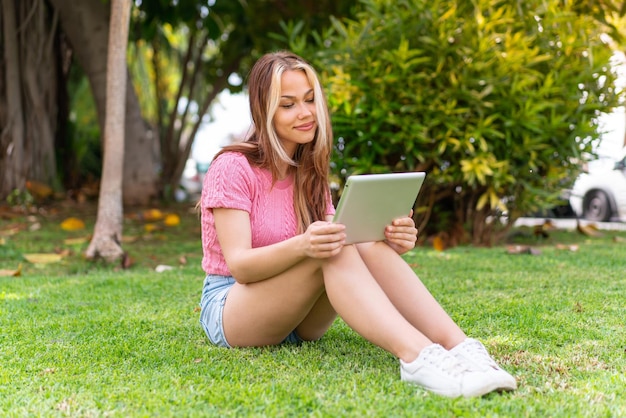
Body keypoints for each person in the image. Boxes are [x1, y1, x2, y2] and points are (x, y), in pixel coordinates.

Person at [198, 50, 517, 398]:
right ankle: (419, 358)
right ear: (264, 110)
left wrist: (390, 240)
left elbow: (346, 243)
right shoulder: (233, 167)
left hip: (298, 318)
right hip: (232, 308)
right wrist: (304, 244)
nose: (305, 113)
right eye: (288, 104)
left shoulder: (309, 171)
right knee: (330, 248)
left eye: (309, 100)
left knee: (352, 237)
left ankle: (462, 349)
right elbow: (241, 266)